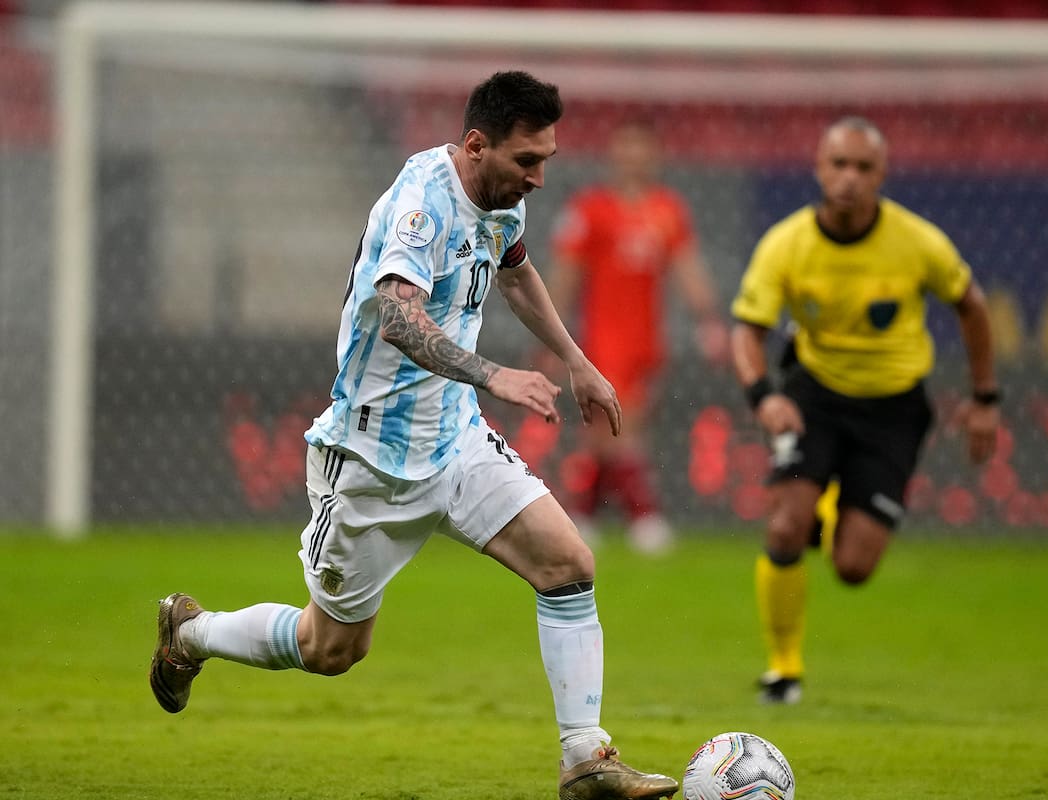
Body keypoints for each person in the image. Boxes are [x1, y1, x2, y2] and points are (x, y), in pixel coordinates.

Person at [149, 71, 679, 800]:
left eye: (548, 159)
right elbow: (397, 318)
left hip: (454, 440)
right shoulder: (419, 206)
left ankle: (585, 758)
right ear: (475, 145)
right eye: (529, 162)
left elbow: (516, 270)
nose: (540, 178)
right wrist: (495, 376)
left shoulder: (500, 199)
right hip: (370, 459)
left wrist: (576, 361)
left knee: (568, 564)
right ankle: (191, 634)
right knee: (330, 648)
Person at [729, 116, 1000, 705]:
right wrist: (765, 394)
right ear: (819, 169)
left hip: (894, 409)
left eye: (864, 167)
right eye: (839, 164)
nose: (849, 178)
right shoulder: (787, 243)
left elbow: (972, 308)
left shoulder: (916, 242)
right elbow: (747, 332)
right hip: (814, 396)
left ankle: (824, 499)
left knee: (853, 567)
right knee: (784, 526)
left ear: (882, 174)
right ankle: (783, 670)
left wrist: (984, 400)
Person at [545, 119, 727, 554]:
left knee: (617, 430)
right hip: (602, 336)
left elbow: (688, 268)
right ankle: (643, 517)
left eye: (641, 149)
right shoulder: (589, 209)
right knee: (615, 429)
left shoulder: (667, 209)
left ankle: (583, 516)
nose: (633, 157)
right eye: (625, 148)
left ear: (654, 157)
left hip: (647, 338)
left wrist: (709, 320)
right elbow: (566, 275)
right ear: (614, 155)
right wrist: (553, 334)